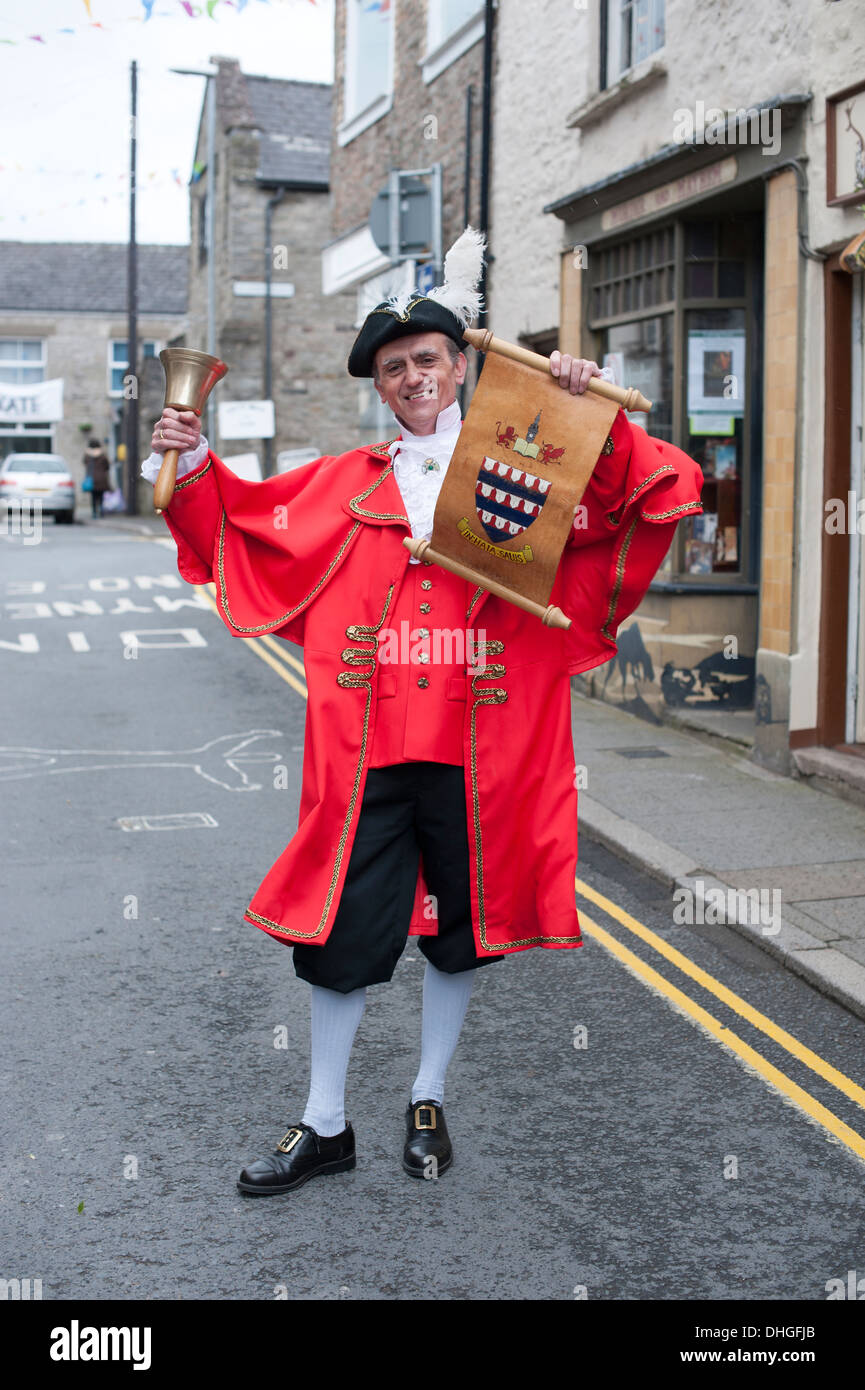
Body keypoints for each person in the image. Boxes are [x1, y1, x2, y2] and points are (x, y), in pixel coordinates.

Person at [141, 229, 703, 1196]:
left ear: (458, 367)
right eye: (394, 366)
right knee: (339, 940)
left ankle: (427, 1095)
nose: (412, 377)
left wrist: (582, 404)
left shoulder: (522, 463)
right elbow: (246, 521)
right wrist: (190, 465)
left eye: (428, 360)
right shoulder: (340, 482)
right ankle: (325, 1121)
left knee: (460, 932)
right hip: (366, 752)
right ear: (379, 384)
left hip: (483, 747)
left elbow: (635, 494)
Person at [83, 438, 111, 519]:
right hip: (102, 479)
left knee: (93, 497)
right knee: (101, 496)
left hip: (92, 479)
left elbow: (84, 463)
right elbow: (107, 466)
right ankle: (101, 511)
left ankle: (94, 512)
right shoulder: (103, 455)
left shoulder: (87, 455)